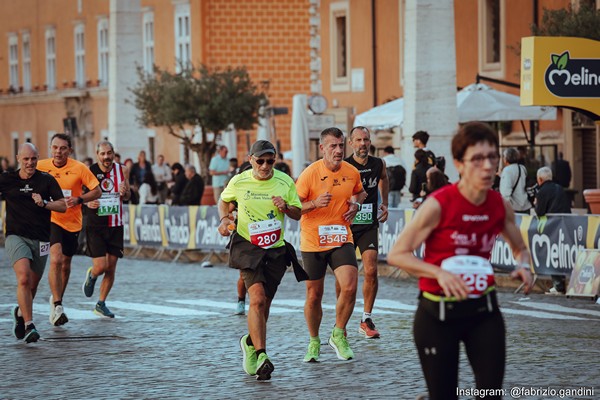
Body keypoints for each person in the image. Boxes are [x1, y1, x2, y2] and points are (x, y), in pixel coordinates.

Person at [387, 122, 533, 400]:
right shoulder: (438, 204)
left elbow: (519, 248)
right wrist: (438, 273)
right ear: (459, 164)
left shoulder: (499, 205)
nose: (488, 166)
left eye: (492, 157)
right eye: (477, 159)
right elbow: (398, 254)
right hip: (437, 315)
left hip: (484, 313)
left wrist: (523, 266)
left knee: (490, 395)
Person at [217, 140, 303, 381]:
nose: (265, 166)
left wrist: (285, 206)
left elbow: (298, 213)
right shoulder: (239, 180)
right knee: (255, 299)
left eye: (270, 161)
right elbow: (224, 200)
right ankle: (263, 355)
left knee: (264, 303)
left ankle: (250, 342)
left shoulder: (285, 181)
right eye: (260, 161)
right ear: (250, 159)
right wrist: (224, 219)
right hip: (247, 245)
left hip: (275, 249)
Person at [295, 127, 367, 362]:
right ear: (322, 148)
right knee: (314, 295)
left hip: (340, 236)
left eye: (340, 146)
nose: (338, 150)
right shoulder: (309, 174)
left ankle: (338, 333)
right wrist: (314, 203)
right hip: (313, 240)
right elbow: (293, 208)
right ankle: (314, 341)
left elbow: (360, 192)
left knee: (349, 285)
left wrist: (355, 205)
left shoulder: (352, 172)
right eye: (333, 146)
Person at [1, 143, 66, 343]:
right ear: (19, 158)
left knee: (32, 285)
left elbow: (63, 206)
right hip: (15, 236)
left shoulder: (46, 180)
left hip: (41, 238)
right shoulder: (7, 179)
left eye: (34, 159)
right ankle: (30, 325)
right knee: (23, 278)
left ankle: (20, 313)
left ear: (38, 159)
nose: (30, 163)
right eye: (26, 159)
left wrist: (45, 204)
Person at [37, 133, 101, 327]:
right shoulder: (41, 166)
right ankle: (57, 306)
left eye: (63, 148)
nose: (58, 151)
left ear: (69, 150)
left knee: (65, 264)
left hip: (72, 222)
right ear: (50, 148)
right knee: (55, 259)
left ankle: (57, 300)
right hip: (51, 219)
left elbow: (97, 190)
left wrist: (80, 199)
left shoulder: (79, 168)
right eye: (55, 147)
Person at [343, 126, 388, 338]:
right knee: (345, 277)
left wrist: (384, 203)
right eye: (359, 140)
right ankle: (340, 321)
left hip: (369, 224)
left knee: (371, 270)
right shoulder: (343, 166)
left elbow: (384, 178)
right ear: (351, 143)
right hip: (345, 227)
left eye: (366, 140)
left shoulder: (378, 164)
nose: (363, 144)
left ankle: (366, 318)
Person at [82, 140, 131, 318]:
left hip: (116, 224)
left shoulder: (123, 170)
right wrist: (88, 202)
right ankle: (92, 275)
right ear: (97, 155)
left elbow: (128, 195)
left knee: (111, 268)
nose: (106, 157)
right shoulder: (89, 172)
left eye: (109, 153)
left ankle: (101, 303)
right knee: (101, 266)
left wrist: (125, 192)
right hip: (96, 225)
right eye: (102, 154)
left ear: (113, 153)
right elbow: (81, 196)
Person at [535, 166, 571, 295]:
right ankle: (561, 284)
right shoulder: (559, 188)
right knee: (561, 255)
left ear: (540, 179)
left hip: (551, 228)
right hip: (565, 226)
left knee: (552, 255)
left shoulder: (542, 191)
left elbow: (540, 211)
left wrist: (535, 203)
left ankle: (558, 286)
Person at [500, 147, 532, 213]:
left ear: (506, 159)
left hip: (514, 208)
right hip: (526, 206)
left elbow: (505, 193)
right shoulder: (522, 168)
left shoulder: (506, 171)